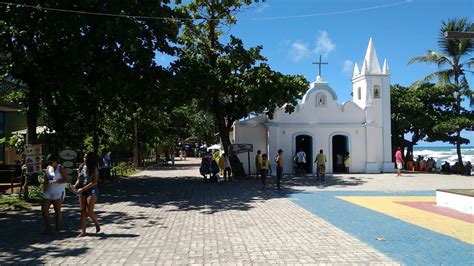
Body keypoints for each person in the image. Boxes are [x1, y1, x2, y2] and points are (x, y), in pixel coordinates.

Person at [75, 152, 100, 237]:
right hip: (82, 190)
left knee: (89, 210)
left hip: (91, 189)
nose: (84, 159)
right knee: (82, 211)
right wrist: (75, 186)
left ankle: (96, 223)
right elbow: (79, 179)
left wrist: (83, 188)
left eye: (86, 157)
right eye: (84, 157)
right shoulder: (81, 167)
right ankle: (83, 231)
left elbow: (94, 182)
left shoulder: (94, 168)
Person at [42, 154, 68, 233]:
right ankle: (48, 226)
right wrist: (45, 186)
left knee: (57, 209)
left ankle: (58, 227)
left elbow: (65, 179)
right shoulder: (49, 168)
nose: (49, 164)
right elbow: (47, 179)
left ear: (55, 161)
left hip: (58, 191)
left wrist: (56, 181)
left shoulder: (61, 168)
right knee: (44, 209)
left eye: (51, 162)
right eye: (48, 163)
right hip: (49, 191)